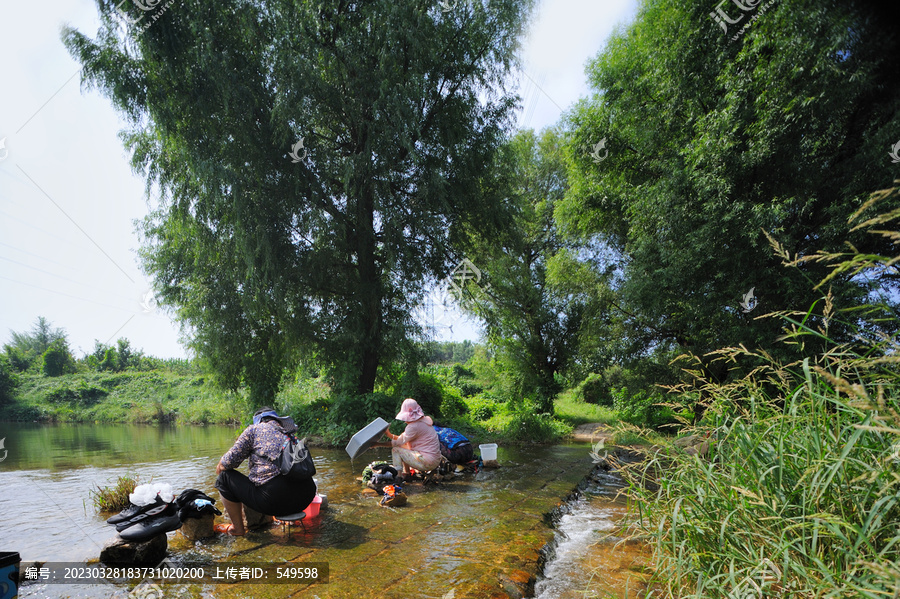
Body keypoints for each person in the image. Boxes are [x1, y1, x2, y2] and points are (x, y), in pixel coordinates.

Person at [214, 407, 317, 536]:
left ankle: (237, 529)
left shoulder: (253, 430)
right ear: (276, 419)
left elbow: (226, 464)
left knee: (224, 478)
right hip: (306, 497)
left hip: (274, 500)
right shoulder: (289, 433)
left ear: (258, 421)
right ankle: (286, 518)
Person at [381, 398, 442, 481]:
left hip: (427, 461)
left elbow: (397, 442)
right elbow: (401, 440)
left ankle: (399, 477)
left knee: (396, 450)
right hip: (435, 460)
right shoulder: (425, 421)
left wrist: (379, 443)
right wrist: (389, 435)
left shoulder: (413, 427)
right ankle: (407, 474)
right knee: (403, 447)